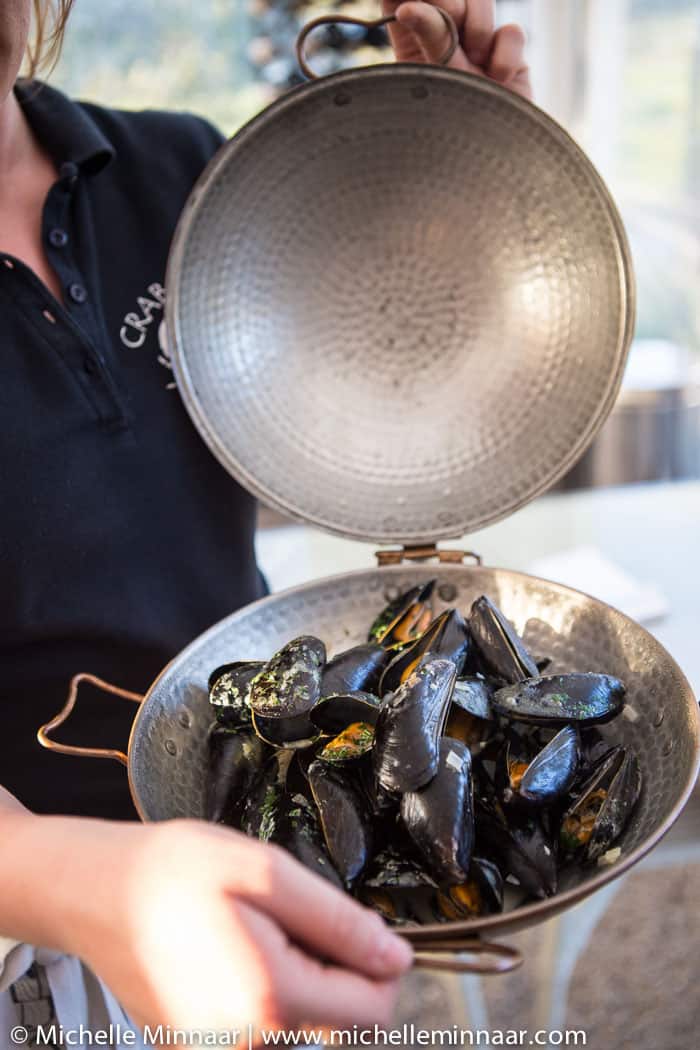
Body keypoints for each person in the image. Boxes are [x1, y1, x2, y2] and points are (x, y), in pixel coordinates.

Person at [0, 0, 531, 1041]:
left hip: (268, 791)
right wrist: (68, 880)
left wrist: (466, 173)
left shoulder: (177, 171)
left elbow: (375, 377)